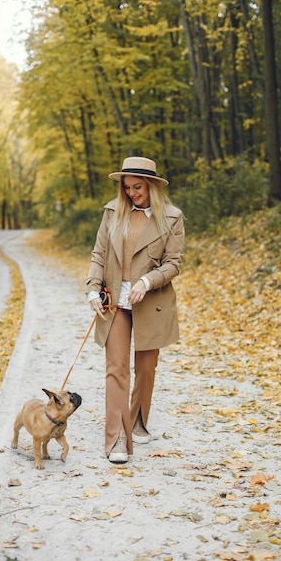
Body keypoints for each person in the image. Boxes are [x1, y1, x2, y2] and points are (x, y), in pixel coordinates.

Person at [86, 156, 185, 464]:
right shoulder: (112, 212)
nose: (131, 193)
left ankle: (138, 419)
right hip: (114, 300)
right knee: (115, 368)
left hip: (151, 301)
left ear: (152, 186)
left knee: (145, 369)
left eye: (137, 187)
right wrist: (92, 288)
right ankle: (116, 438)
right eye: (127, 187)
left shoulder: (172, 217)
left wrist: (147, 280)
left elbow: (174, 263)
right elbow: (99, 253)